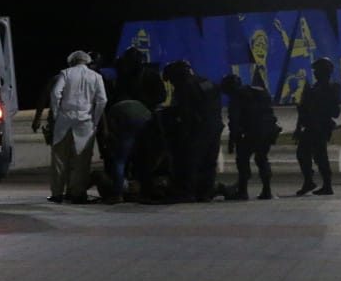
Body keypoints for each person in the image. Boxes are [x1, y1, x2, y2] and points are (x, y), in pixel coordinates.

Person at [100, 49, 164, 203]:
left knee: (121, 158)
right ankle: (142, 191)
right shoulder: (149, 75)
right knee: (144, 158)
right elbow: (161, 96)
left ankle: (118, 193)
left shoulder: (121, 77)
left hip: (123, 116)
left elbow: (110, 101)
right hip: (143, 117)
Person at [48, 50, 108, 204]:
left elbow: (55, 93)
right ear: (87, 61)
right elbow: (102, 100)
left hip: (64, 120)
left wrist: (56, 114)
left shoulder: (65, 73)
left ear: (71, 61)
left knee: (60, 158)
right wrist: (95, 119)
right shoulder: (96, 77)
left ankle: (57, 194)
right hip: (85, 121)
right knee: (82, 160)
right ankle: (77, 193)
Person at [161, 59, 224, 202]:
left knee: (191, 161)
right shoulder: (206, 82)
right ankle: (205, 193)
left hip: (199, 129)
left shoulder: (184, 86)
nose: (172, 83)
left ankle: (187, 193)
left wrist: (183, 130)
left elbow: (186, 112)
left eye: (172, 80)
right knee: (209, 161)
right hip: (215, 125)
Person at [220, 73, 281, 200]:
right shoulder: (259, 91)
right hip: (268, 130)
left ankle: (242, 191)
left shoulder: (237, 97)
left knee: (242, 160)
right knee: (262, 159)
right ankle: (267, 190)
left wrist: (233, 140)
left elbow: (234, 121)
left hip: (252, 132)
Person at [294, 56, 340, 196]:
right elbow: (303, 109)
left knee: (319, 156)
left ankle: (324, 184)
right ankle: (312, 182)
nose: (314, 73)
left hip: (319, 127)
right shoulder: (314, 88)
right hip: (311, 126)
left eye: (317, 70)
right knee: (305, 154)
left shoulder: (330, 88)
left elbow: (335, 112)